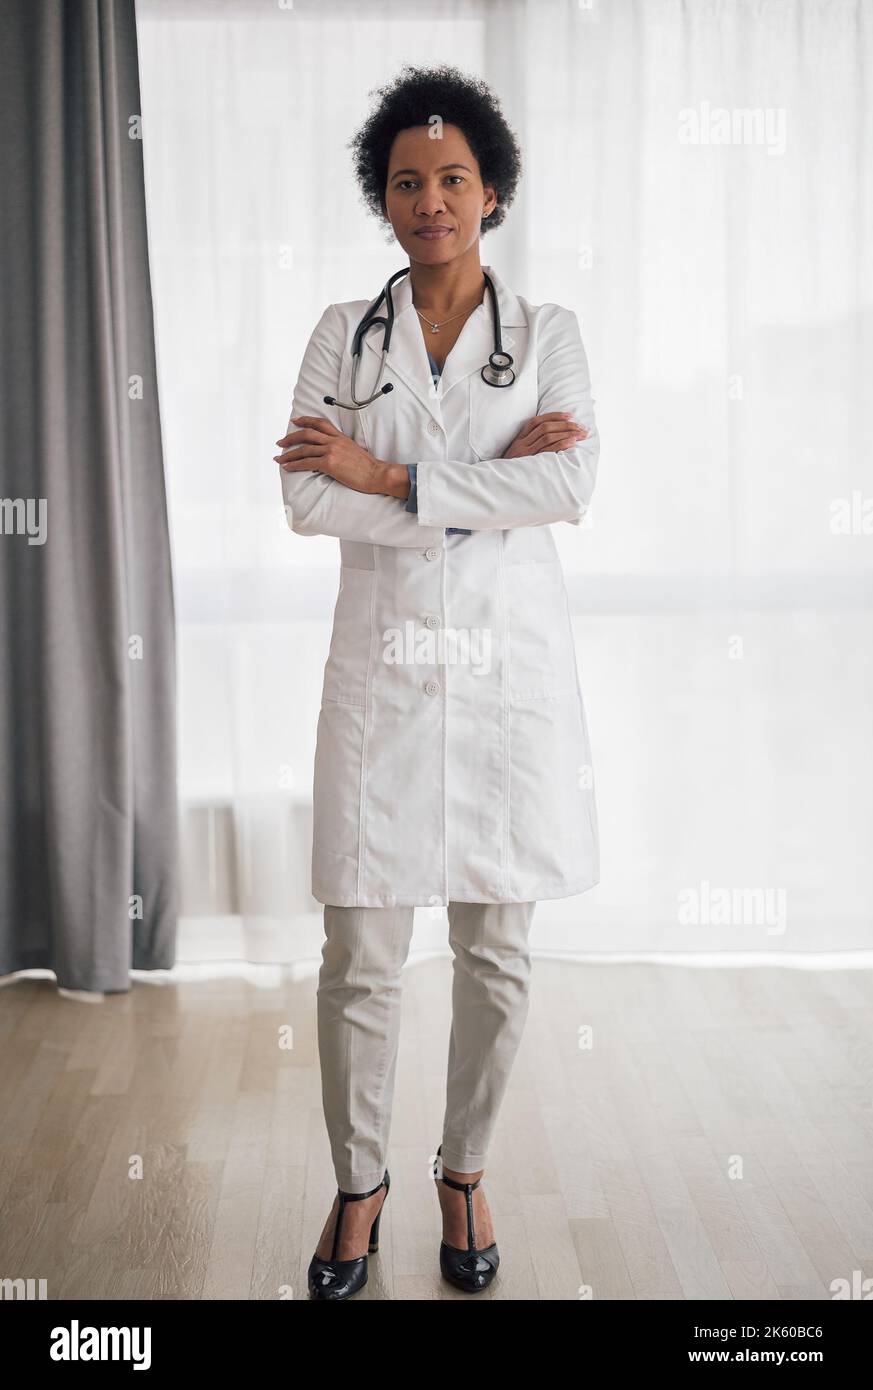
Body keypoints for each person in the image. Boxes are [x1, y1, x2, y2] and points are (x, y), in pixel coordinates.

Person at [274, 62, 600, 1300]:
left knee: (499, 956)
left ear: (493, 192)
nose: (431, 200)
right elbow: (306, 499)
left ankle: (464, 1171)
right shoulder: (339, 336)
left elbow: (567, 488)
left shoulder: (549, 336)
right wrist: (475, 484)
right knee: (358, 953)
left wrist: (389, 478)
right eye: (406, 182)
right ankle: (360, 1186)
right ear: (384, 200)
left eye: (453, 178)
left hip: (509, 685)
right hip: (383, 687)